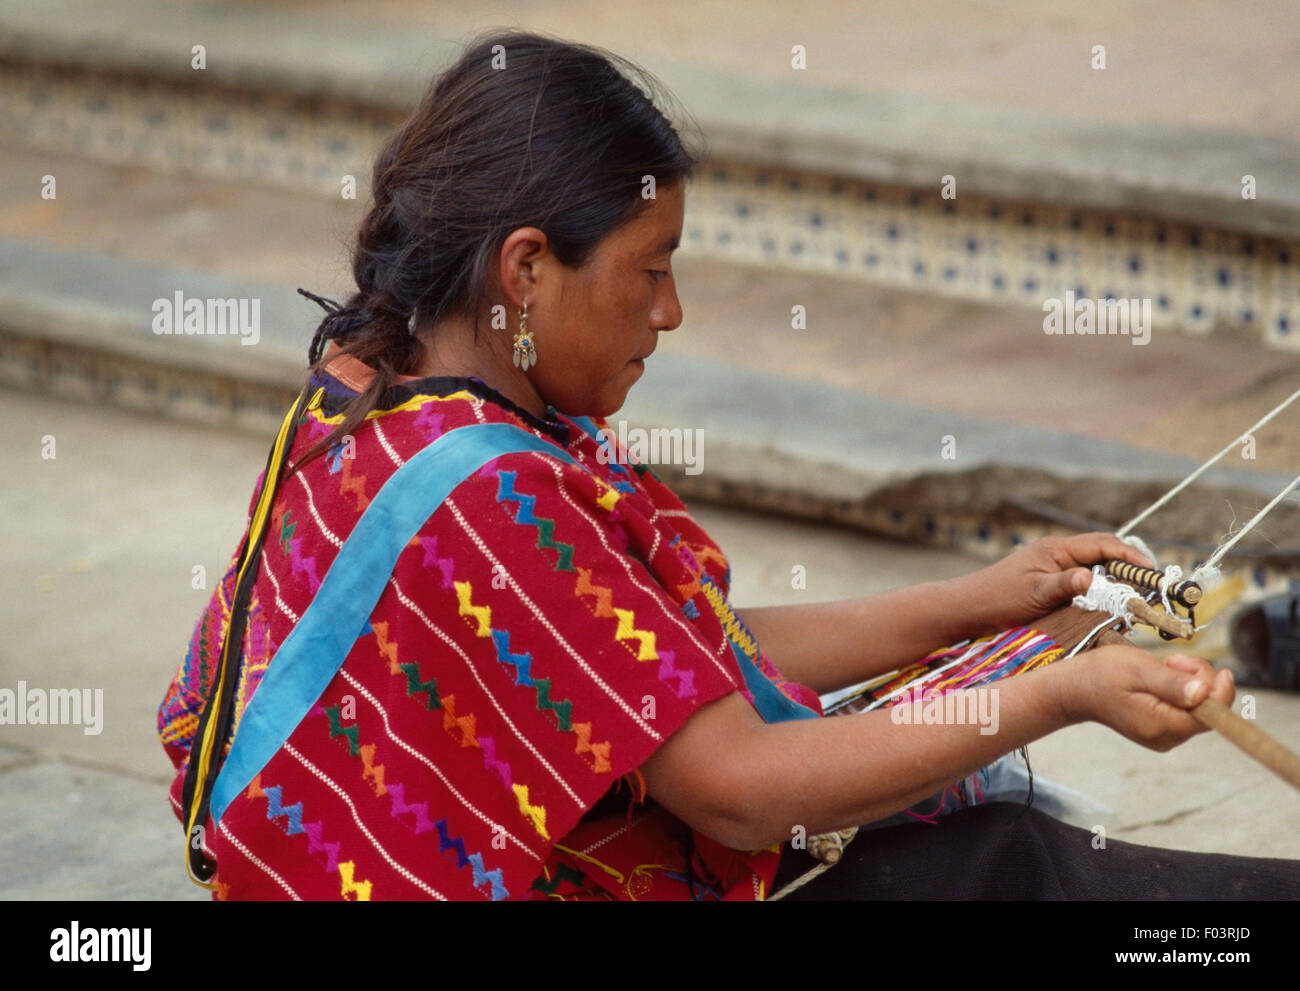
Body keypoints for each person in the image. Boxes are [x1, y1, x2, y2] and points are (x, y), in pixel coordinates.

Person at [158, 29, 1300, 901]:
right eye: (649, 270)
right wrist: (1052, 694)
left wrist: (978, 602)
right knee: (1010, 872)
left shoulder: (366, 387)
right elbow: (739, 793)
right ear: (525, 269)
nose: (672, 311)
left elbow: (663, 661)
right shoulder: (481, 487)